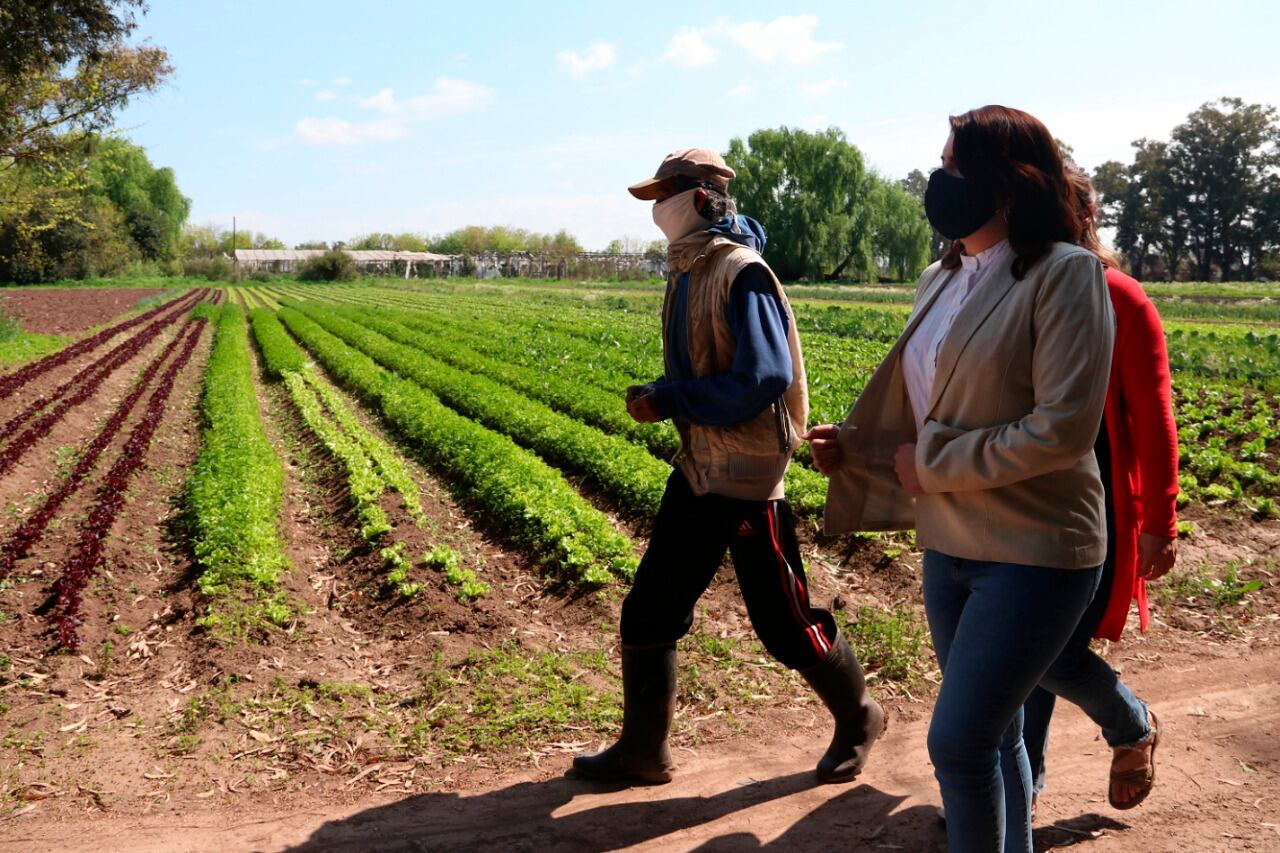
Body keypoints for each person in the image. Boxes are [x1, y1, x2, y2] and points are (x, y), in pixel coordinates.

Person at [806, 106, 1113, 853]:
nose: (940, 183)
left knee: (958, 742)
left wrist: (930, 464)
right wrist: (859, 446)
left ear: (1009, 184)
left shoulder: (1065, 275)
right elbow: (931, 408)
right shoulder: (939, 279)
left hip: (1034, 544)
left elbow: (1061, 427)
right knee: (996, 732)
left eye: (956, 169)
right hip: (948, 542)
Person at [571, 147, 884, 786]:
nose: (657, 208)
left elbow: (764, 377)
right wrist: (663, 390)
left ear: (701, 198)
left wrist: (672, 399)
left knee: (785, 625)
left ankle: (859, 717)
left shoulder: (741, 271)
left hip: (744, 478)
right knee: (650, 608)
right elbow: (708, 364)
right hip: (700, 468)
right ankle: (643, 751)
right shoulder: (691, 268)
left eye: (666, 194)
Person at [1019, 162, 1178, 813]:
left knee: (1039, 651)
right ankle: (1017, 787)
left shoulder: (1120, 296)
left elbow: (1154, 417)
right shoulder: (1013, 288)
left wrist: (1159, 523)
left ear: (1079, 216)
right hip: (1018, 500)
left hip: (1095, 512)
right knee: (1024, 647)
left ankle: (1129, 721)